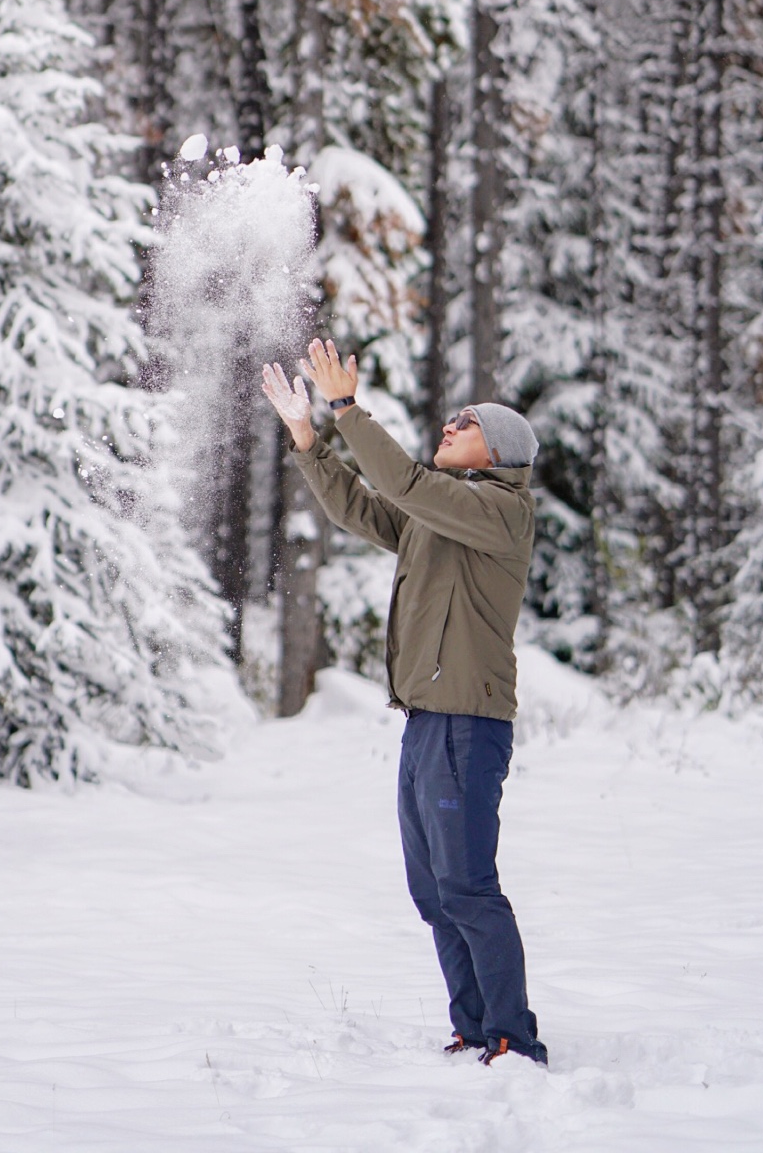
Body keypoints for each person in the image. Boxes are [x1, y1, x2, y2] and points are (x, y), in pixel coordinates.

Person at [261, 338, 548, 1068]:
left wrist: (348, 409)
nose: (448, 427)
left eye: (466, 424)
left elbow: (407, 485)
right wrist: (308, 441)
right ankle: (475, 1029)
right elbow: (364, 505)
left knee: (467, 885)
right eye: (449, 420)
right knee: (432, 891)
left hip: (468, 723)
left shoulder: (500, 514)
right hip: (426, 725)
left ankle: (513, 1036)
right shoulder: (441, 516)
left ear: (500, 454)